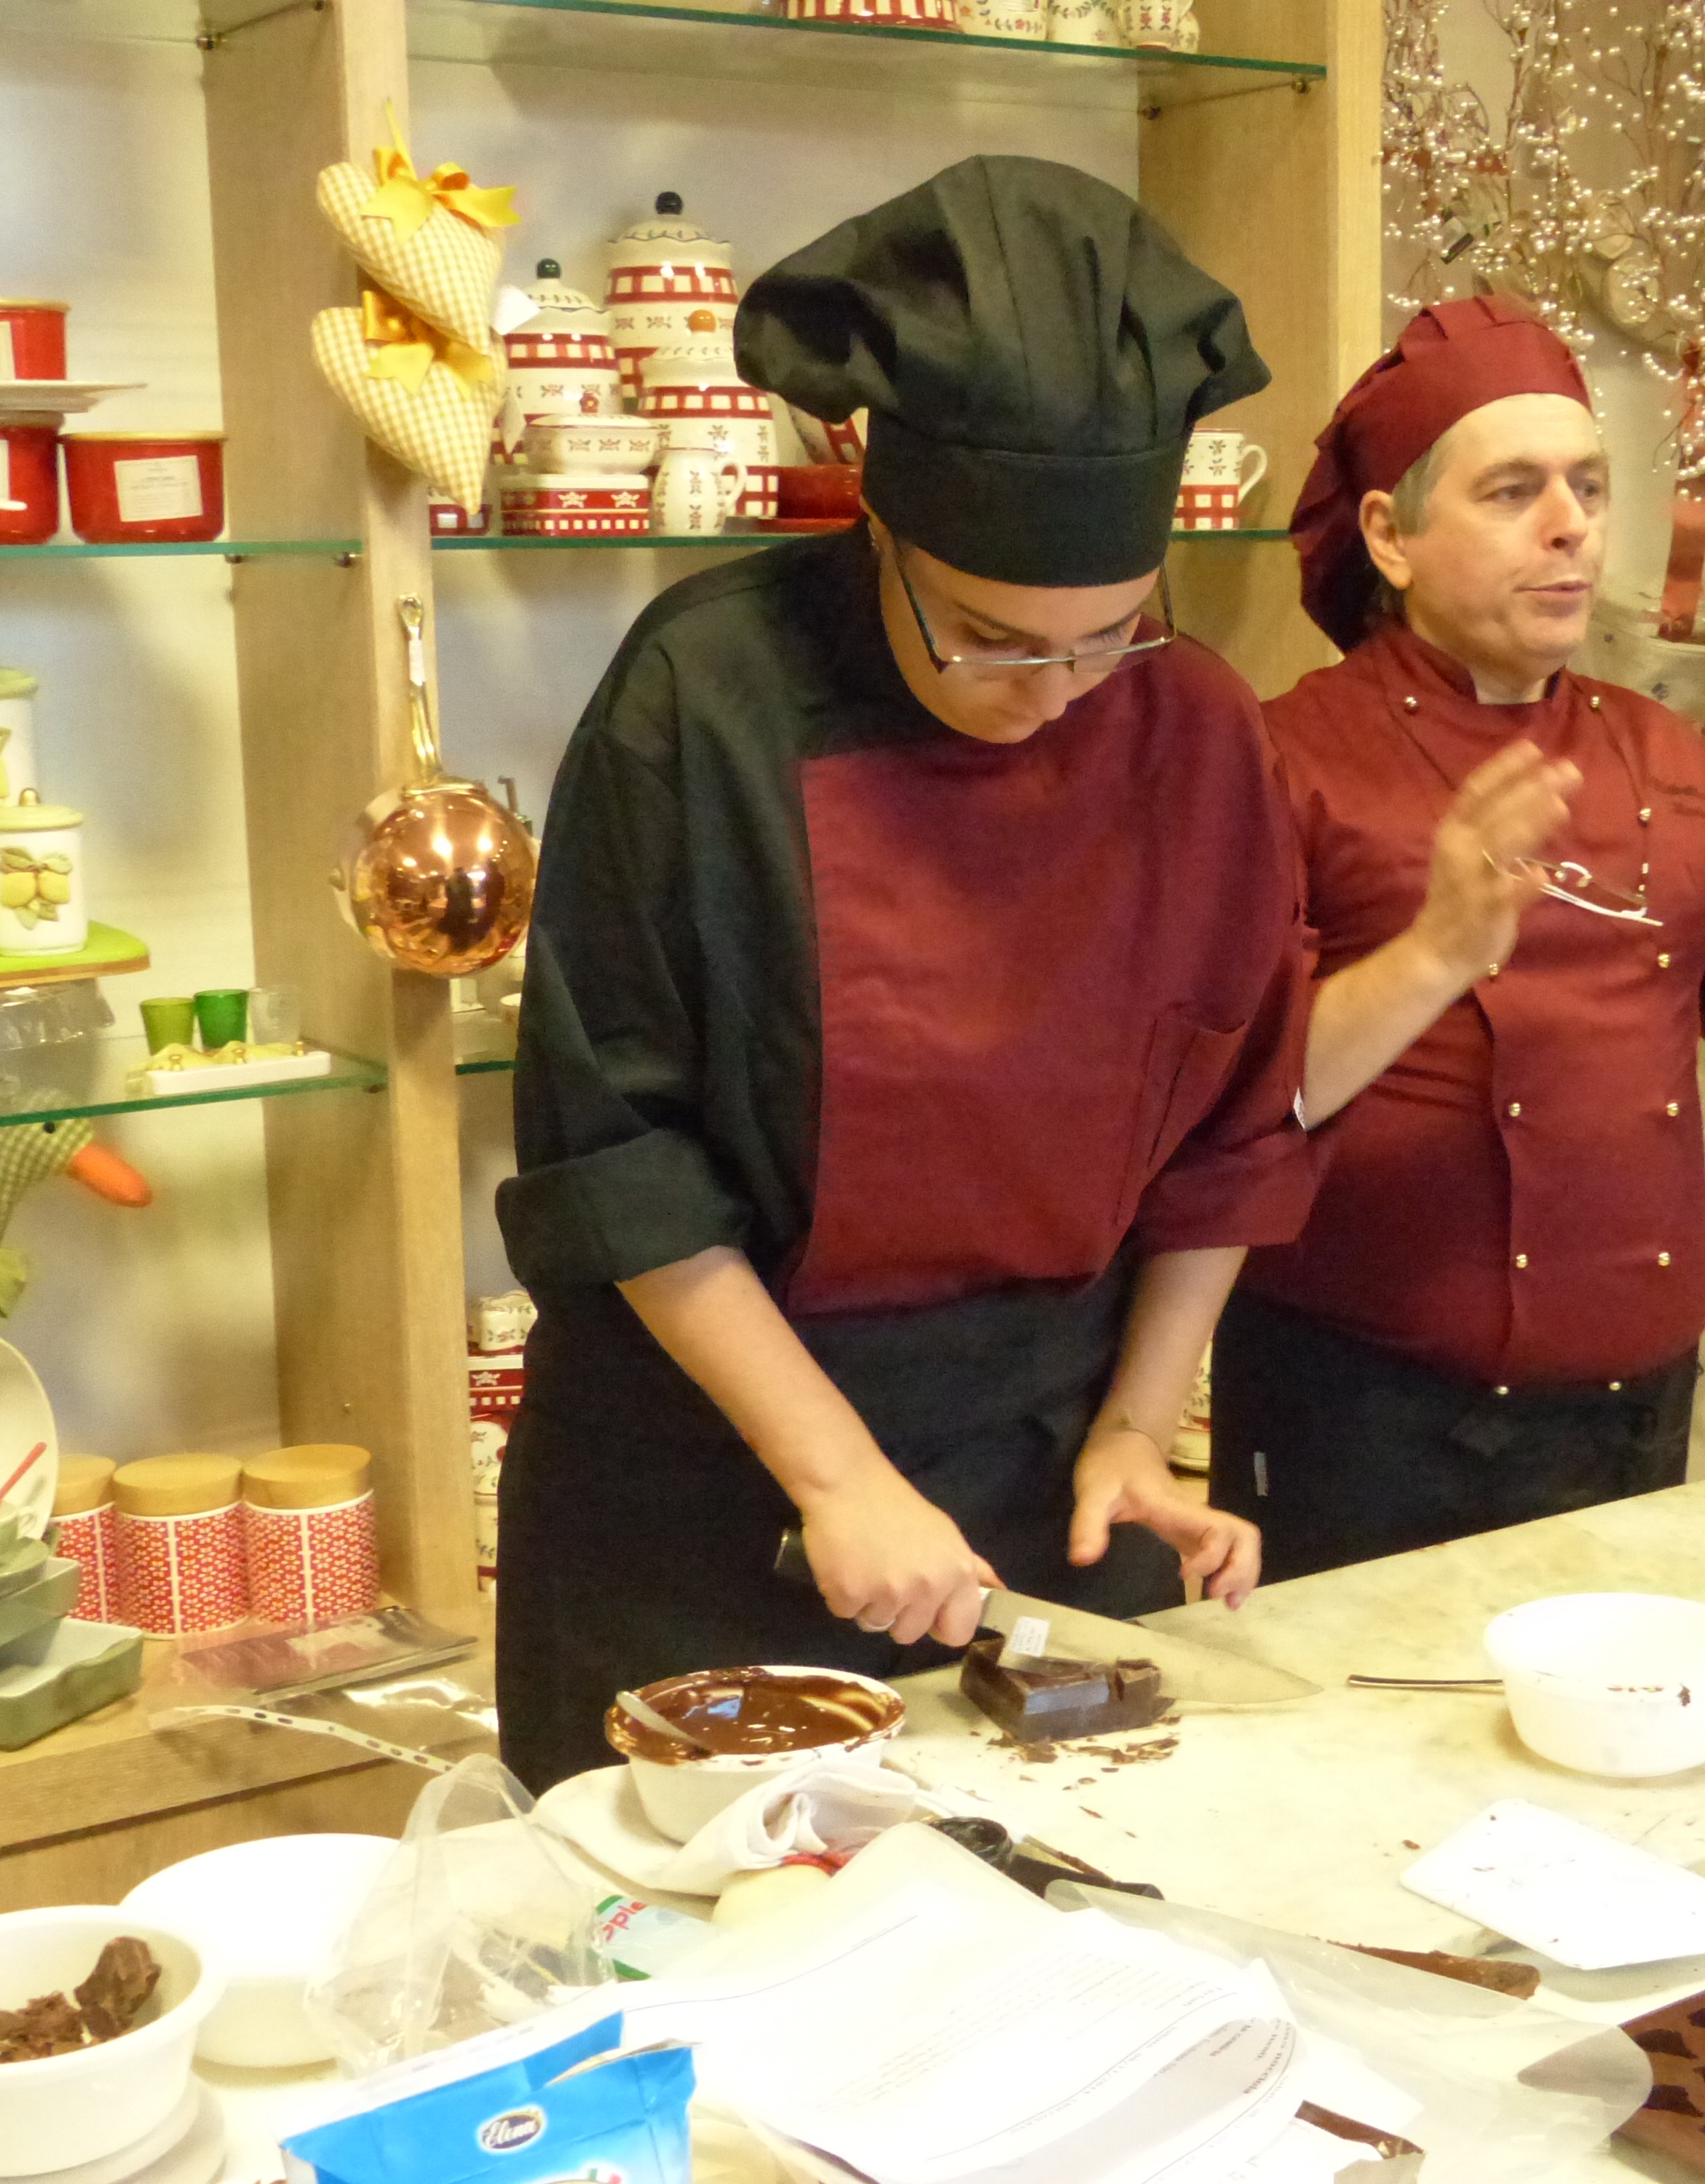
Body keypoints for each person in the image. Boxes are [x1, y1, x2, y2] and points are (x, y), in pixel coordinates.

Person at [494, 157, 1316, 1794]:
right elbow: (620, 1157)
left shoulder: (1201, 731)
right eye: (993, 637)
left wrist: (1137, 1434)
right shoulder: (705, 695)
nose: (1055, 692)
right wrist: (837, 1476)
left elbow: (1232, 1130)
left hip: (1044, 1476)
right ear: (879, 514)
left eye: (1109, 633)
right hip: (710, 1493)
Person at [1207, 296, 1705, 1580]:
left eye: (1587, 486)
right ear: (1389, 536)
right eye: (1512, 491)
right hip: (1360, 1422)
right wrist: (1433, 954)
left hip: (1638, 1416)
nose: (1571, 525)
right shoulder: (1280, 759)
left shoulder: (1667, 754)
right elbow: (1226, 1107)